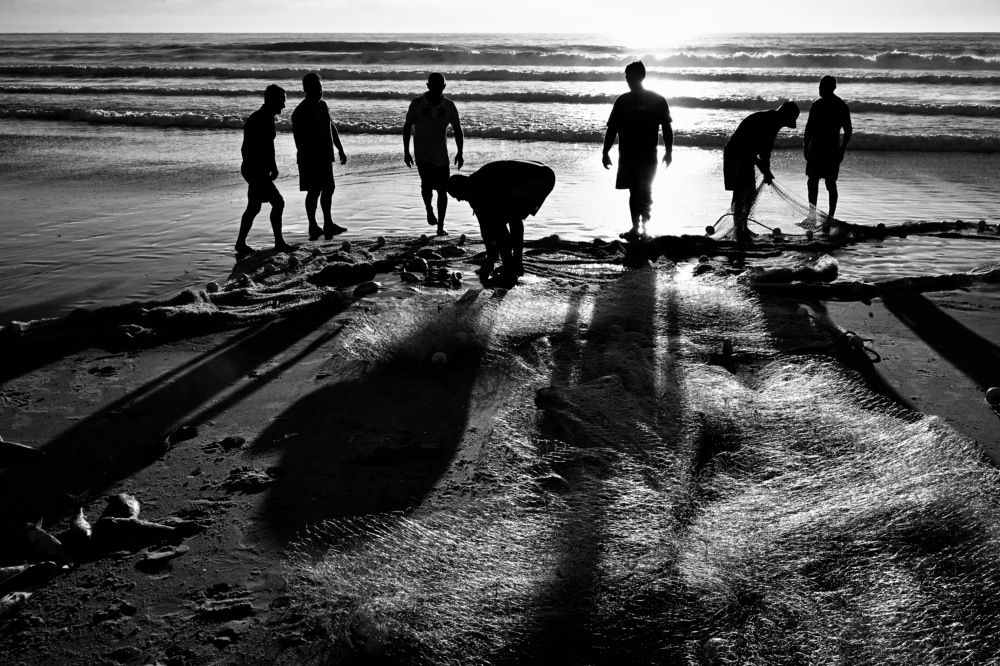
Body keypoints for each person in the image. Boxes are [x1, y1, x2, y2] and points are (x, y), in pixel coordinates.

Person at [447, 160, 555, 286]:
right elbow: (484, 225)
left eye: (457, 195)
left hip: (539, 180)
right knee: (511, 216)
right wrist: (490, 254)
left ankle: (510, 269)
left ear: (463, 187)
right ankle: (516, 265)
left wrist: (492, 257)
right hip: (543, 174)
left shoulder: (479, 190)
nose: (459, 200)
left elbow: (495, 230)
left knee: (502, 222)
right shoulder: (475, 184)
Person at [602, 60, 673, 241]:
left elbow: (666, 128)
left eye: (631, 77)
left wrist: (669, 151)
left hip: (648, 154)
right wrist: (605, 152)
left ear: (641, 77)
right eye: (626, 77)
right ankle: (636, 228)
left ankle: (645, 229)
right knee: (635, 192)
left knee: (645, 191)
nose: (628, 80)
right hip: (627, 155)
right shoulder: (622, 101)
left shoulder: (657, 100)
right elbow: (612, 129)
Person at [723, 101, 800, 245]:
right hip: (735, 154)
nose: (786, 124)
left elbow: (765, 152)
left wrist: (767, 171)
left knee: (749, 191)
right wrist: (765, 170)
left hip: (745, 156)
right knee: (741, 192)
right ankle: (738, 231)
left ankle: (742, 227)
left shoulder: (774, 121)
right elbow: (749, 150)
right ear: (785, 115)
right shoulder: (768, 122)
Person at [235, 84, 292, 260]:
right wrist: (260, 171)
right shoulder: (260, 119)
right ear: (272, 100)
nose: (283, 106)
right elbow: (248, 149)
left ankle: (241, 243)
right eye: (281, 101)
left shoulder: (265, 117)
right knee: (278, 203)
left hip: (255, 169)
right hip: (255, 170)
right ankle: (279, 242)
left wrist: (272, 166)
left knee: (254, 207)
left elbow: (269, 146)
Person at [403, 73, 464, 236]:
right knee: (426, 184)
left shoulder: (449, 106)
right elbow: (407, 126)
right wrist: (406, 152)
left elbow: (458, 129)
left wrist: (460, 152)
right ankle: (429, 209)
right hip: (422, 152)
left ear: (444, 87)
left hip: (441, 153)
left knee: (442, 190)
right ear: (428, 86)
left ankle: (440, 226)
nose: (437, 89)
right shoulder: (417, 104)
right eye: (433, 86)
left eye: (440, 86)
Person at [291, 72, 348, 241]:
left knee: (329, 188)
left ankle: (328, 222)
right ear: (306, 89)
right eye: (316, 88)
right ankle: (313, 225)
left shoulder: (323, 105)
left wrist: (340, 149)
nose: (319, 91)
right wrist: (309, 157)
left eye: (320, 87)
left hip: (325, 155)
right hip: (309, 158)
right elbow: (298, 140)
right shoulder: (300, 112)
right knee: (314, 191)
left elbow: (331, 127)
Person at [804, 75, 852, 231]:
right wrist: (806, 146)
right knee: (812, 182)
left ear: (831, 88)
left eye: (822, 87)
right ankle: (812, 216)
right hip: (817, 149)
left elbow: (848, 130)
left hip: (831, 149)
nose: (819, 89)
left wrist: (841, 150)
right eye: (819, 86)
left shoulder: (840, 106)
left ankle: (830, 217)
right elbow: (808, 128)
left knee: (830, 183)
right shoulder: (815, 105)